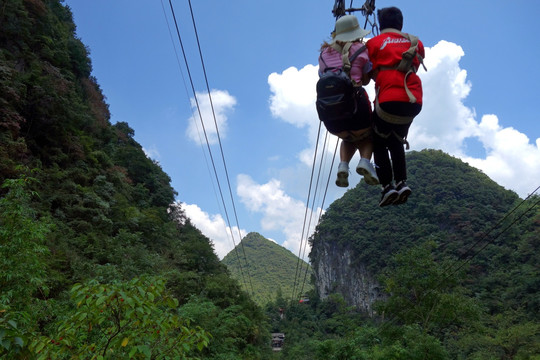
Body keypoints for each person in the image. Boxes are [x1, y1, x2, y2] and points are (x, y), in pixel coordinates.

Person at [366, 6, 425, 206]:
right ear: (401, 23)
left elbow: (365, 76)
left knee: (378, 141)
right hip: (413, 101)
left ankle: (387, 187)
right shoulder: (415, 42)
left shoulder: (373, 44)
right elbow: (416, 65)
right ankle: (402, 182)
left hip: (387, 101)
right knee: (396, 139)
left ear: (380, 24)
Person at [318, 15, 379, 188]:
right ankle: (365, 161)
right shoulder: (361, 49)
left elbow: (324, 77)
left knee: (347, 137)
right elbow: (366, 80)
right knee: (368, 135)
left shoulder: (323, 54)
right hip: (357, 109)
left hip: (332, 117)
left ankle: (343, 165)